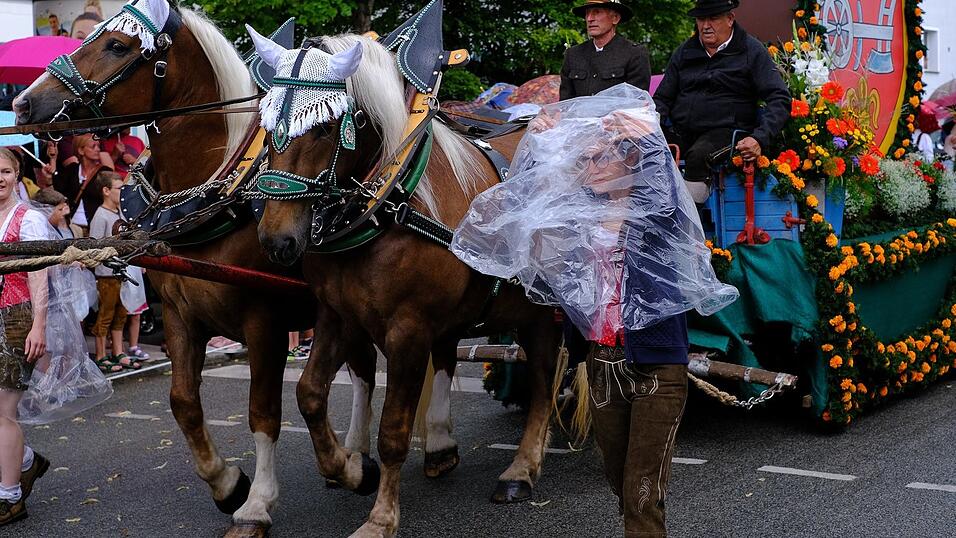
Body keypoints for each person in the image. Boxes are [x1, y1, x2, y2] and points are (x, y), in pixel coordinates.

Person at [453, 85, 737, 537]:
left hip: (656, 366)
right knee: (617, 478)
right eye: (586, 160)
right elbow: (529, 203)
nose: (591, 165)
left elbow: (662, 180)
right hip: (602, 365)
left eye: (601, 157)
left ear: (629, 162)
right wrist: (540, 144)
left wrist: (646, 138)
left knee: (642, 490)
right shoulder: (578, 219)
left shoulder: (656, 216)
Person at [653, 0, 791, 203]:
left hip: (728, 131)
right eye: (701, 19)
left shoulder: (751, 50)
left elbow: (780, 97)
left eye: (713, 18)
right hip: (683, 129)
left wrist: (760, 138)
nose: (706, 25)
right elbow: (662, 99)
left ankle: (691, 224)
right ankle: (643, 221)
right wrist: (647, 126)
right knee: (646, 149)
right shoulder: (685, 51)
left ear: (730, 19)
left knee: (698, 156)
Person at [0, 148, 51, 526]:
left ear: (17, 174)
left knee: (3, 411)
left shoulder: (28, 218)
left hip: (17, 317)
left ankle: (10, 497)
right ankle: (27, 461)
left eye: (4, 171)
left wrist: (39, 324)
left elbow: (38, 275)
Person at [88, 171, 140, 372]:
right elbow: (94, 248)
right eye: (119, 189)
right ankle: (101, 355)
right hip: (107, 275)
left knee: (121, 313)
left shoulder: (120, 213)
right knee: (106, 315)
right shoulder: (100, 216)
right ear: (106, 191)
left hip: (122, 273)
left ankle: (118, 351)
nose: (123, 193)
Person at [560, 0, 651, 101]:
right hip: (576, 116)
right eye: (587, 14)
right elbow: (565, 103)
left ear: (615, 18)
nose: (589, 19)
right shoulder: (573, 55)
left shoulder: (634, 53)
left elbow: (636, 103)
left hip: (618, 116)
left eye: (597, 12)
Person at [54, 134, 114, 238]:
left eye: (98, 146)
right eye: (93, 146)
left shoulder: (104, 172)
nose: (97, 149)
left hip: (95, 227)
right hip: (72, 227)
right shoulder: (72, 169)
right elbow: (59, 191)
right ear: (81, 150)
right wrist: (53, 160)